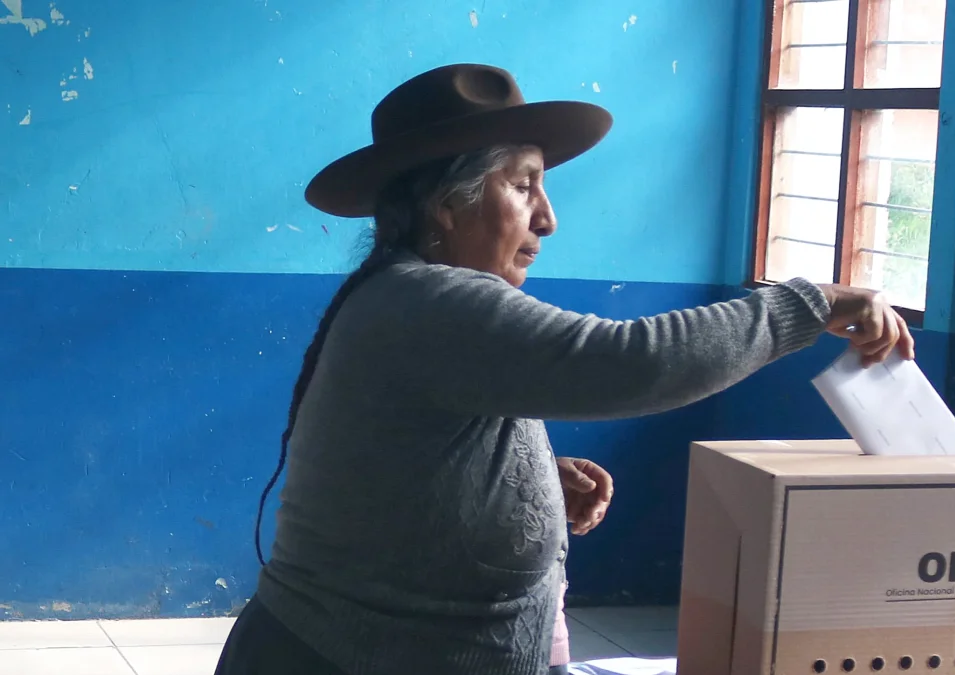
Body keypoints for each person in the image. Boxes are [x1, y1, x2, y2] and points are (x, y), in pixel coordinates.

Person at [214, 63, 914, 675]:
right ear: (445, 204)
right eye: (524, 186)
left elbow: (403, 464)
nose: (547, 219)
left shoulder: (418, 300)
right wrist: (804, 305)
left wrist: (528, 481)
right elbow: (627, 361)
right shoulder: (426, 301)